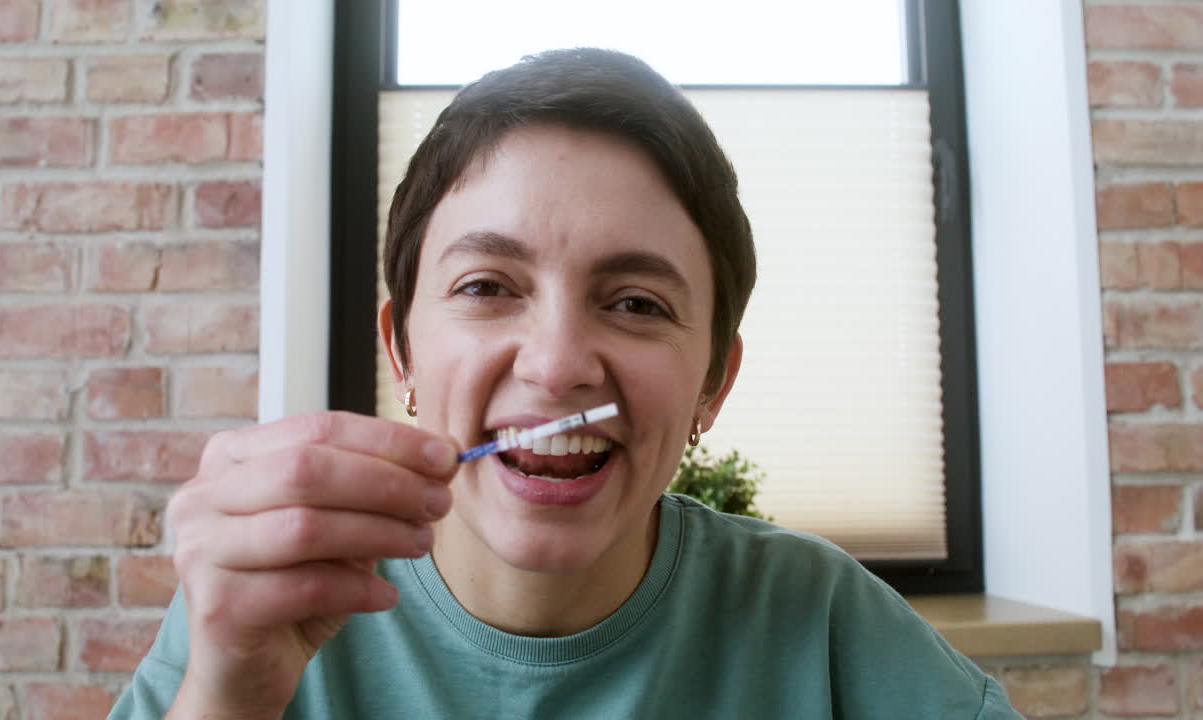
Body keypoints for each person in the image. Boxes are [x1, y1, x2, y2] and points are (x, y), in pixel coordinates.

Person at [109, 48, 1023, 719]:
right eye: (487, 288)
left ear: (712, 385)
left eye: (635, 303)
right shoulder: (260, 607)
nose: (554, 364)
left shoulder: (820, 625)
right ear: (402, 355)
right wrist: (227, 696)